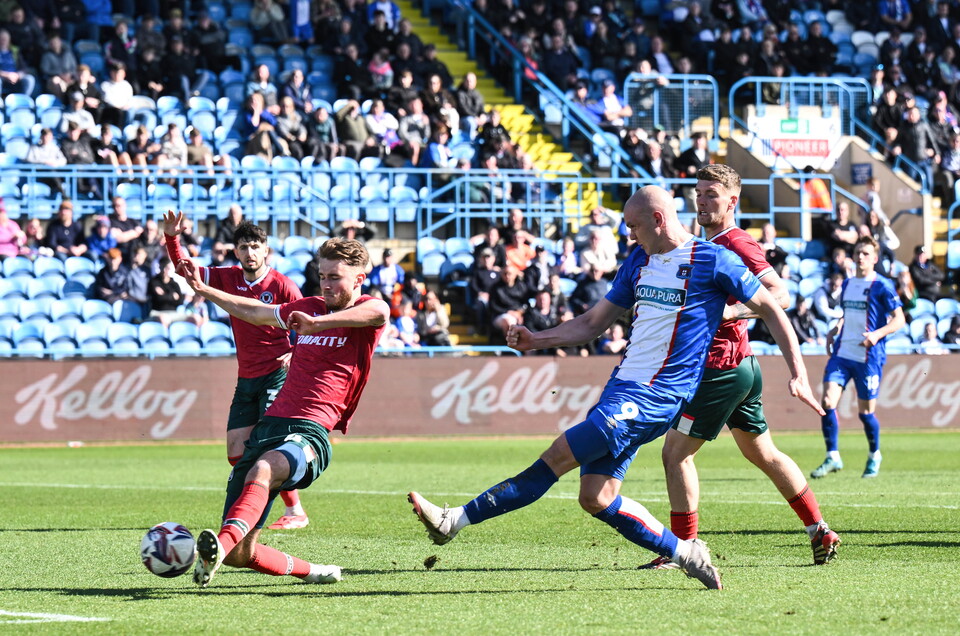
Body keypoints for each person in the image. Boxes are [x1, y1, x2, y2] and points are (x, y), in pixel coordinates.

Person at [407, 186, 822, 590]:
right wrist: (538, 339)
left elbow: (772, 307)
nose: (629, 234)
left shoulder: (713, 260)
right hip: (620, 389)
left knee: (558, 455)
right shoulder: (639, 261)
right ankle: (686, 553)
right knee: (597, 497)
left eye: (633, 225)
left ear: (658, 221)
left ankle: (454, 521)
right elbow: (592, 323)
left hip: (656, 397)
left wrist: (798, 373)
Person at [641, 165, 838, 572]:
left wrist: (729, 310)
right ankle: (818, 529)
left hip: (721, 367)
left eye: (712, 194)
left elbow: (779, 295)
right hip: (740, 366)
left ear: (732, 201)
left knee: (675, 454)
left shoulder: (736, 242)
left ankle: (684, 548)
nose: (702, 200)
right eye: (698, 193)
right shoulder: (707, 242)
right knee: (763, 453)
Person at [177, 236, 389, 588]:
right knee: (240, 555)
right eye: (322, 275)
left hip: (310, 432)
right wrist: (204, 290)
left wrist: (317, 325)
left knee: (264, 467)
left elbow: (380, 311)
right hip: (270, 425)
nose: (326, 283)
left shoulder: (364, 312)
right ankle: (314, 571)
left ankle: (218, 545)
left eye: (335, 276)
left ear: (358, 279)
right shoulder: (309, 306)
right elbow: (254, 312)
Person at [163, 211, 311, 531]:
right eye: (244, 247)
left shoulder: (283, 285)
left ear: (266, 250)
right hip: (247, 376)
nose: (250, 252)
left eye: (256, 246)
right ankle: (258, 502)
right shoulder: (228, 277)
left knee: (269, 449)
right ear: (235, 251)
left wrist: (295, 354)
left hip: (276, 374)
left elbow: (309, 326)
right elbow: (184, 270)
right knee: (235, 451)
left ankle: (293, 511)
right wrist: (172, 239)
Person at [812, 236, 906, 480]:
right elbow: (847, 314)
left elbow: (899, 319)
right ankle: (833, 456)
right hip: (843, 353)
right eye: (857, 253)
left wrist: (877, 334)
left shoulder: (882, 286)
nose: (860, 257)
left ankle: (875, 454)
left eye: (865, 253)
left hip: (868, 357)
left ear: (874, 259)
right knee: (827, 402)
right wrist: (835, 329)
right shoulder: (848, 284)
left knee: (865, 413)